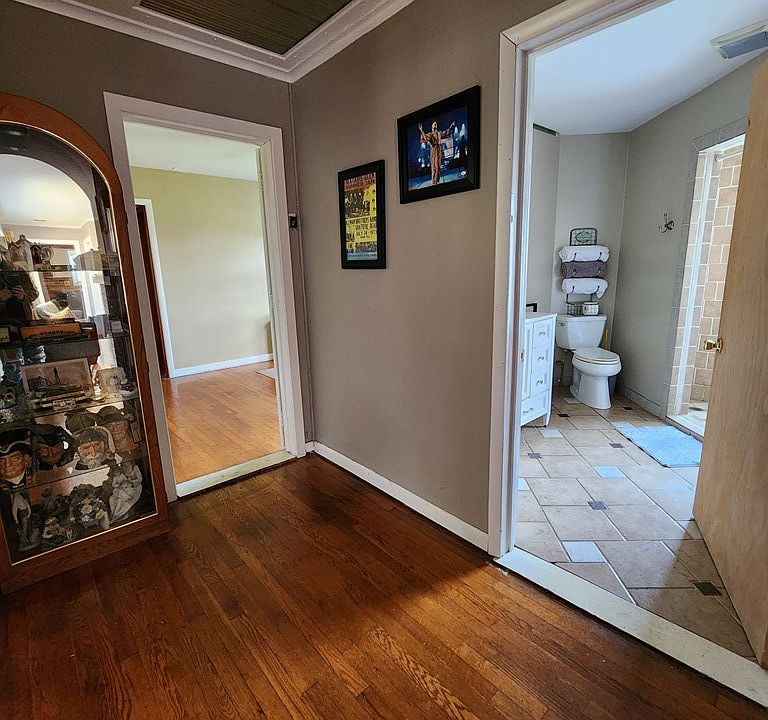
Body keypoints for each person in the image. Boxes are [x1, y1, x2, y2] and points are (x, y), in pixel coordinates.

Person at [418, 120, 456, 185]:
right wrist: (421, 130)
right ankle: (434, 182)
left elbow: (446, 133)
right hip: (433, 150)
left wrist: (451, 126)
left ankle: (437, 181)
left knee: (438, 167)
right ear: (432, 126)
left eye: (436, 124)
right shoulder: (430, 134)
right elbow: (426, 138)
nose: (435, 124)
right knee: (434, 167)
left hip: (438, 150)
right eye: (434, 124)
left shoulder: (439, 133)